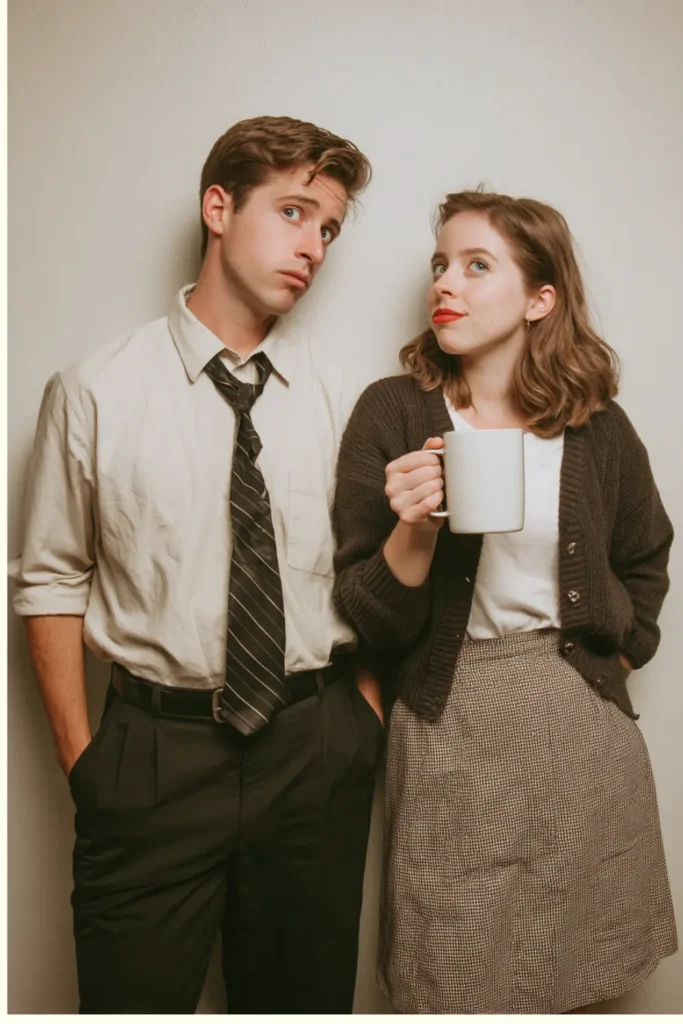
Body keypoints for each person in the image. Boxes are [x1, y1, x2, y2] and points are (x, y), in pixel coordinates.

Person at [10, 115, 385, 1014]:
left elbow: (373, 572)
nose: (313, 246)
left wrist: (359, 723)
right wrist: (85, 762)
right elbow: (51, 578)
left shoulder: (345, 399)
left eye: (328, 228)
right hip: (153, 757)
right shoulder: (94, 389)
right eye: (293, 212)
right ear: (218, 207)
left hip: (312, 750)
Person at [333, 188, 677, 1014]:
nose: (445, 282)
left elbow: (646, 559)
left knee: (579, 977)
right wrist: (412, 531)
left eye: (476, 265)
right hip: (448, 725)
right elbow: (363, 611)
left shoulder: (597, 427)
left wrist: (618, 653)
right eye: (439, 264)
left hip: (579, 735)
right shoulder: (393, 411)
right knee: (447, 970)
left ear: (538, 298)